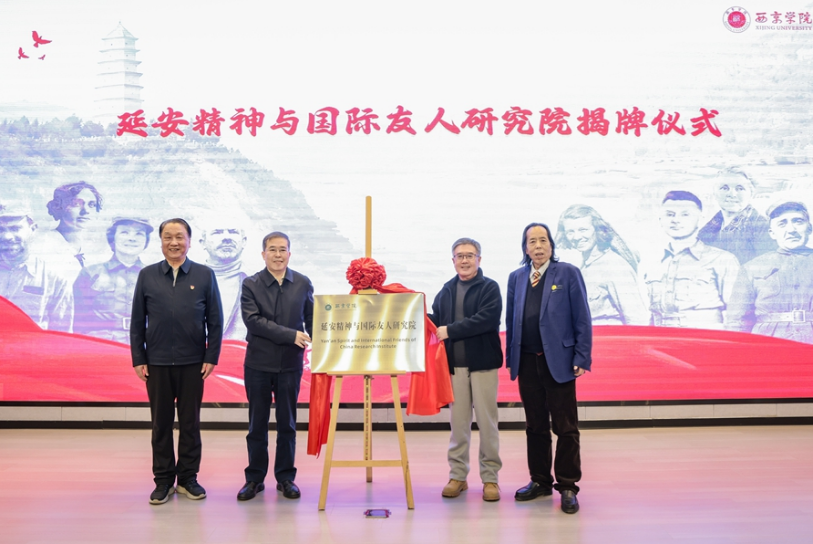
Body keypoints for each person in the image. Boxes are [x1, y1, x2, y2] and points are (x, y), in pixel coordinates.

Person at [130, 218, 223, 505]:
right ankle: (163, 481)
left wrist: (211, 356)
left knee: (190, 423)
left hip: (193, 363)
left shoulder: (205, 275)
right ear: (160, 242)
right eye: (168, 237)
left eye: (179, 237)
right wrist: (138, 357)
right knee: (160, 424)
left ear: (189, 241)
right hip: (156, 362)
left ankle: (187, 479)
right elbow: (137, 321)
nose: (174, 242)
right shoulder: (147, 275)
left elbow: (215, 321)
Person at [505, 222, 592, 514]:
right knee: (535, 426)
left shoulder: (567, 273)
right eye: (532, 241)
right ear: (525, 248)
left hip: (560, 361)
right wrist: (512, 358)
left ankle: (567, 485)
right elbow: (511, 321)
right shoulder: (516, 278)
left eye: (543, 240)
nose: (538, 246)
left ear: (552, 245)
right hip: (527, 361)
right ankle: (540, 480)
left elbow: (582, 317)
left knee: (565, 427)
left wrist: (582, 356)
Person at [237, 232, 313, 502]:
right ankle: (254, 479)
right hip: (258, 363)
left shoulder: (302, 283)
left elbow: (312, 320)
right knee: (257, 424)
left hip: (290, 364)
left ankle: (285, 478)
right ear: (263, 254)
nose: (278, 255)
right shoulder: (251, 284)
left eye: (282, 250)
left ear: (289, 253)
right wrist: (290, 335)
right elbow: (253, 321)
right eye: (272, 249)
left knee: (287, 424)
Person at [428, 237, 503, 502]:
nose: (464, 260)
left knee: (487, 424)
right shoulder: (446, 290)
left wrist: (450, 330)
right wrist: (411, 312)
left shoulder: (489, 287)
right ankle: (458, 476)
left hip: (483, 366)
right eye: (460, 256)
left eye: (470, 255)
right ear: (453, 261)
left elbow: (486, 320)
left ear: (479, 259)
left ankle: (490, 478)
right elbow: (435, 320)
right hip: (455, 369)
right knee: (458, 425)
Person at [644, 191, 740, 329]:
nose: (676, 220)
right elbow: (652, 314)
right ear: (660, 219)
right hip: (661, 336)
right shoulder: (652, 261)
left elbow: (737, 313)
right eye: (670, 214)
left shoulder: (722, 260)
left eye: (685, 215)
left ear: (700, 219)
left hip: (703, 337)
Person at [727, 201, 813, 343]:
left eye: (798, 222)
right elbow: (737, 321)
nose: (791, 229)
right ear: (772, 233)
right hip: (769, 344)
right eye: (782, 224)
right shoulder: (752, 267)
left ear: (809, 228)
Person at [555, 205, 648, 325]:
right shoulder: (583, 268)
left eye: (583, 230)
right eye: (570, 232)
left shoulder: (614, 266)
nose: (576, 237)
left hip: (608, 335)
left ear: (597, 230)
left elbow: (637, 319)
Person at [73, 217, 153, 343]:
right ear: (113, 239)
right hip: (103, 346)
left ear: (146, 241)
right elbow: (77, 319)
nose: (132, 238)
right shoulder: (90, 274)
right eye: (124, 232)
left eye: (139, 234)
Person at [0, 202, 73, 331]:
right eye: (1, 230)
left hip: (29, 344)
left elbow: (61, 334)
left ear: (33, 229)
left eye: (15, 228)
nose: (6, 236)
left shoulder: (55, 279)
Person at [698, 169, 773, 264]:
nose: (732, 194)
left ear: (751, 194)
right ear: (715, 194)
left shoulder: (763, 227)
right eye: (724, 188)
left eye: (740, 189)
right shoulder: (708, 229)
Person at [38, 181, 104, 280]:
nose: (86, 211)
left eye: (92, 205)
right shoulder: (43, 247)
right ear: (59, 207)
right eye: (76, 204)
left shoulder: (97, 250)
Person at [200, 222, 248, 341]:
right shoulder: (185, 282)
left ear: (244, 241)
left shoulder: (261, 283)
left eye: (233, 232)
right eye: (217, 232)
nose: (227, 238)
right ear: (203, 243)